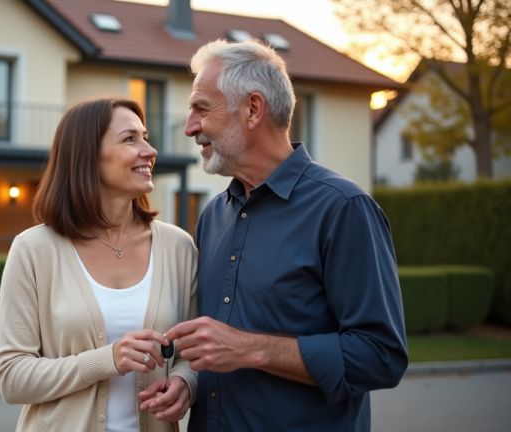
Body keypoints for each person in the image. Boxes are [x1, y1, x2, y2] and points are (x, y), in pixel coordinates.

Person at [160, 39, 408, 431]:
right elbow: (210, 349)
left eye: (201, 109)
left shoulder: (343, 209)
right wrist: (187, 383)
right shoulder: (213, 216)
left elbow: (381, 357)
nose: (191, 127)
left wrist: (250, 349)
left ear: (253, 109)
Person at [0, 98, 198, 432]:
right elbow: (11, 377)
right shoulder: (33, 250)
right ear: (87, 156)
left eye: (145, 137)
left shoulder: (178, 248)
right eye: (129, 139)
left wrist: (186, 383)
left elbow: (192, 355)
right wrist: (107, 360)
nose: (149, 150)